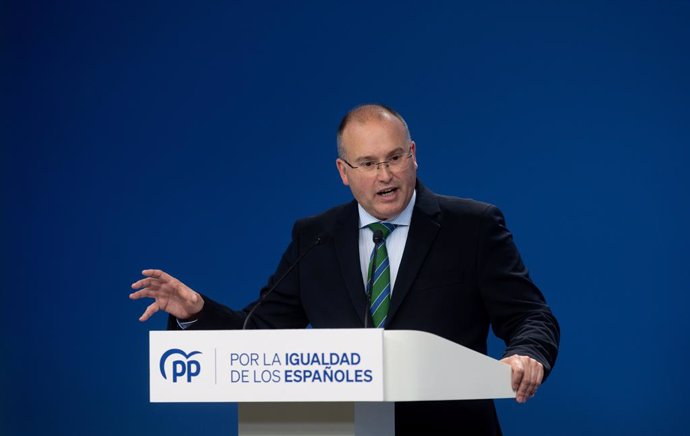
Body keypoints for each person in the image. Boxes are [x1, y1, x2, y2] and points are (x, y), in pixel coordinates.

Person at [130, 104, 559, 435]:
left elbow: (530, 315)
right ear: (344, 172)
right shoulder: (315, 237)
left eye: (394, 158)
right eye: (368, 163)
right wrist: (194, 310)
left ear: (413, 156)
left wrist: (527, 353)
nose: (385, 175)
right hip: (339, 426)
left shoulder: (473, 226)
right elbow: (258, 337)